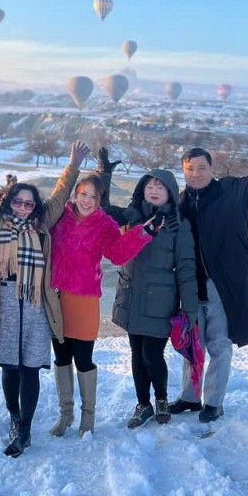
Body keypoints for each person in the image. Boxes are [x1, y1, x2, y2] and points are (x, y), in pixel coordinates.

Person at [0, 123, 89, 457]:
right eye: (17, 202)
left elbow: (61, 197)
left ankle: (26, 428)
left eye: (28, 204)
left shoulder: (42, 226)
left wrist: (73, 166)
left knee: (30, 366)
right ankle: (14, 418)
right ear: (9, 203)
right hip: (3, 299)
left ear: (36, 207)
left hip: (35, 303)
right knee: (9, 365)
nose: (21, 207)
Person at [170, 111, 248, 425]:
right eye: (189, 169)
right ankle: (189, 397)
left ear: (212, 168)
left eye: (202, 168)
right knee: (192, 345)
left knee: (219, 344)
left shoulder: (233, 193)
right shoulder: (178, 204)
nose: (196, 173)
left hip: (224, 284)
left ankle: (213, 403)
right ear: (183, 171)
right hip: (191, 287)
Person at [48, 173, 157, 437]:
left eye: (93, 197)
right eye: (83, 194)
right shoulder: (60, 216)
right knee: (61, 358)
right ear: (75, 194)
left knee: (83, 359)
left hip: (84, 300)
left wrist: (143, 233)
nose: (87, 201)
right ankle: (66, 414)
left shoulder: (104, 224)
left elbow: (117, 254)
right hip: (56, 297)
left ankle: (88, 418)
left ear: (100, 201)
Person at [98, 150, 199, 429]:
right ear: (142, 190)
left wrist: (189, 309)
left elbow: (187, 269)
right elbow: (101, 207)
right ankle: (143, 404)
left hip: (160, 301)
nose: (154, 190)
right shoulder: (132, 216)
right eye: (149, 185)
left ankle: (162, 398)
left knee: (151, 355)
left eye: (160, 187)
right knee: (136, 354)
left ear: (170, 193)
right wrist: (103, 175)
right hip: (131, 295)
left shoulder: (179, 226)